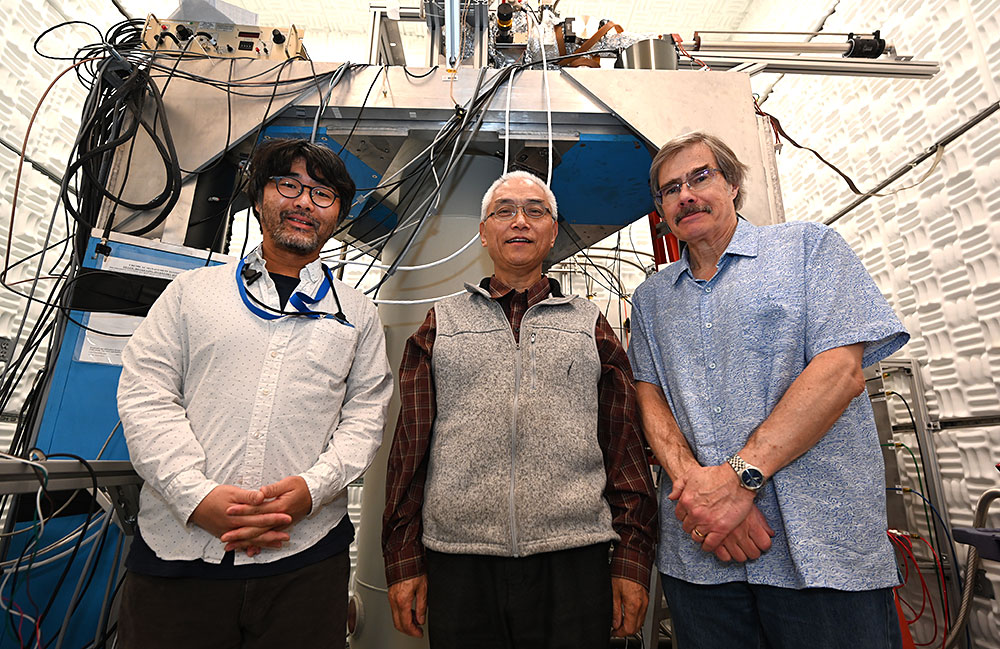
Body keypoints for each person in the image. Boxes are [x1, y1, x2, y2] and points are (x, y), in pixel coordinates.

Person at [627, 131, 909, 648]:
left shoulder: (808, 249)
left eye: (700, 177)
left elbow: (840, 372)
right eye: (670, 190)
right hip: (704, 553)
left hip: (821, 551)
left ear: (733, 184)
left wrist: (737, 481)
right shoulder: (650, 300)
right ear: (662, 211)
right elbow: (649, 395)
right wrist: (701, 492)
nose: (685, 195)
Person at [116, 138, 393, 649]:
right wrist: (195, 496)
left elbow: (366, 416)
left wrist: (314, 488)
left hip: (304, 560)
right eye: (289, 184)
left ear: (338, 215)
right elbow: (145, 393)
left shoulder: (357, 315)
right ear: (259, 196)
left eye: (323, 194)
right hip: (181, 553)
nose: (305, 202)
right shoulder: (192, 293)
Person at [381, 170, 657, 648]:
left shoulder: (589, 325)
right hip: (459, 561)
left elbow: (625, 449)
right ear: (484, 232)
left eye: (535, 211)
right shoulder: (439, 324)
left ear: (553, 230)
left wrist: (632, 562)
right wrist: (403, 559)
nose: (520, 221)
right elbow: (409, 450)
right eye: (504, 211)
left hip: (574, 559)